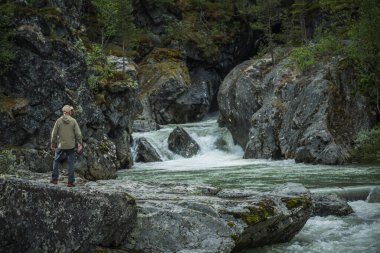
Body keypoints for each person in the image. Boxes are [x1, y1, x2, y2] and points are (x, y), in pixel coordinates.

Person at [50, 105, 83, 187]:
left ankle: (54, 179)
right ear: (69, 112)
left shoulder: (58, 121)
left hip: (60, 145)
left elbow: (54, 133)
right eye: (71, 110)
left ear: (63, 112)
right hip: (70, 146)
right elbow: (78, 133)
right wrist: (79, 143)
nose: (72, 111)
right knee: (71, 163)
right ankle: (70, 182)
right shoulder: (73, 121)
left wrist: (53, 143)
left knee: (56, 161)